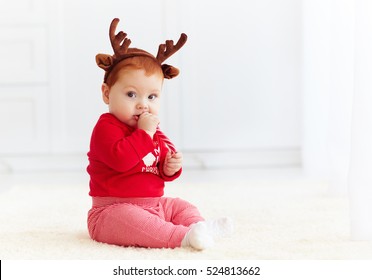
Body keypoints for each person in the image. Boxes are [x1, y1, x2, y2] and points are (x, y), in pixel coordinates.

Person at [87, 18, 232, 250]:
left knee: (180, 206)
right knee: (132, 221)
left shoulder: (151, 130)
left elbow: (159, 164)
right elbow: (122, 160)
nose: (143, 105)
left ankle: (199, 226)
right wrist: (145, 133)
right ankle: (183, 237)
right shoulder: (107, 127)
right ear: (106, 93)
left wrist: (170, 166)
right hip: (111, 211)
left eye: (151, 97)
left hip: (154, 205)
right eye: (131, 95)